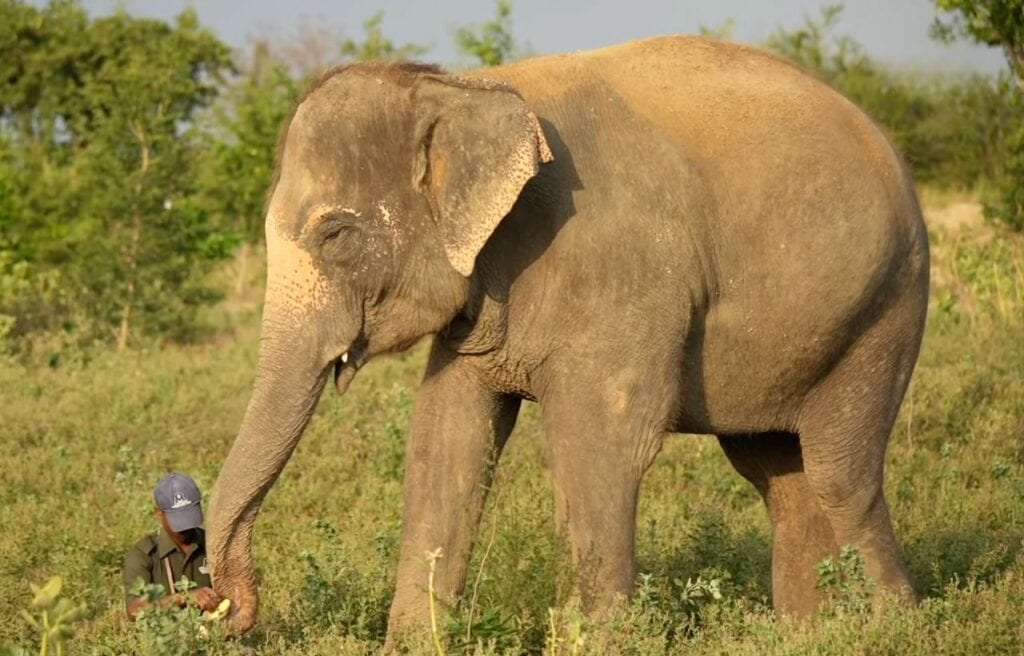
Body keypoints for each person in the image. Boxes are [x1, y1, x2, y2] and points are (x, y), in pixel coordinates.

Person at [122, 472, 222, 619]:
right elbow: (134, 610)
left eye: (189, 515)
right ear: (159, 513)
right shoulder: (143, 555)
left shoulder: (213, 544)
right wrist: (184, 598)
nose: (186, 526)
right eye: (179, 519)